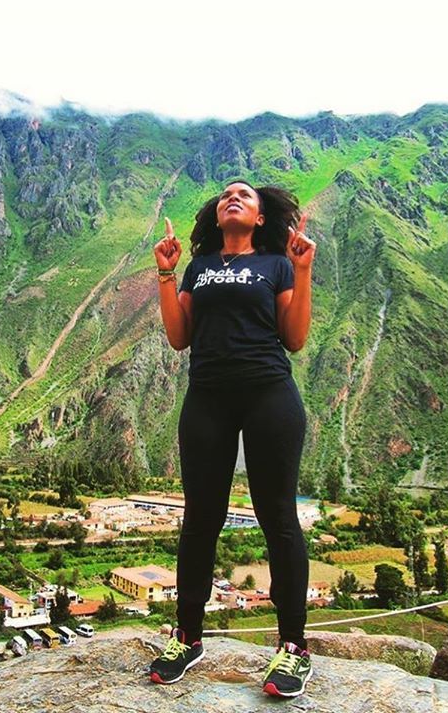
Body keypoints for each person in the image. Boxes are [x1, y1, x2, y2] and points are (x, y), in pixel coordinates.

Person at [148, 179, 316, 698]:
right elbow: (179, 338)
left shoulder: (277, 265)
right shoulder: (198, 269)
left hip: (269, 393)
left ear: (260, 218)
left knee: (278, 517)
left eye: (244, 195)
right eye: (225, 196)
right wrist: (166, 272)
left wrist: (304, 269)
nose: (233, 198)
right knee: (200, 519)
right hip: (208, 398)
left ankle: (293, 648)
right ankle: (188, 638)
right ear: (219, 216)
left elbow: (295, 338)